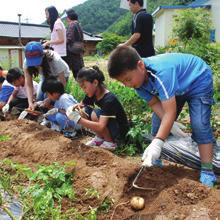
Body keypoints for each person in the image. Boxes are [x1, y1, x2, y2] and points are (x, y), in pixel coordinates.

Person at [107, 45, 217, 187]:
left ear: (140, 65)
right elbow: (154, 103)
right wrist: (169, 124)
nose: (127, 85)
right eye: (123, 82)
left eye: (128, 79)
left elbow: (169, 112)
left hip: (198, 79)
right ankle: (155, 161)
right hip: (177, 86)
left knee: (199, 124)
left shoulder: (160, 72)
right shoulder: (138, 84)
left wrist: (158, 142)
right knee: (158, 123)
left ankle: (208, 171)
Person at [66, 66, 129, 150]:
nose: (83, 90)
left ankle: (110, 142)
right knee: (83, 111)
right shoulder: (91, 93)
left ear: (95, 82)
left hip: (119, 132)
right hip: (109, 126)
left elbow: (100, 126)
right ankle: (99, 138)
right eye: (81, 88)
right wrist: (71, 108)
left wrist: (78, 119)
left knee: (94, 113)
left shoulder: (109, 100)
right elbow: (80, 105)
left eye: (84, 87)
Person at [24, 41, 70, 110]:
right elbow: (29, 84)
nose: (35, 65)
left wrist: (49, 99)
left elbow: (62, 83)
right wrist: (30, 102)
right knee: (39, 98)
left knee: (49, 97)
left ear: (42, 55)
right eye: (32, 62)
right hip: (45, 76)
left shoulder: (55, 59)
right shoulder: (26, 63)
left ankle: (52, 113)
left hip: (59, 77)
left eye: (36, 62)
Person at [65, 8, 84, 79]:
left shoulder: (72, 24)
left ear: (69, 17)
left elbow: (68, 39)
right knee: (81, 71)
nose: (66, 19)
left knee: (77, 73)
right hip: (78, 51)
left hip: (73, 53)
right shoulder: (78, 24)